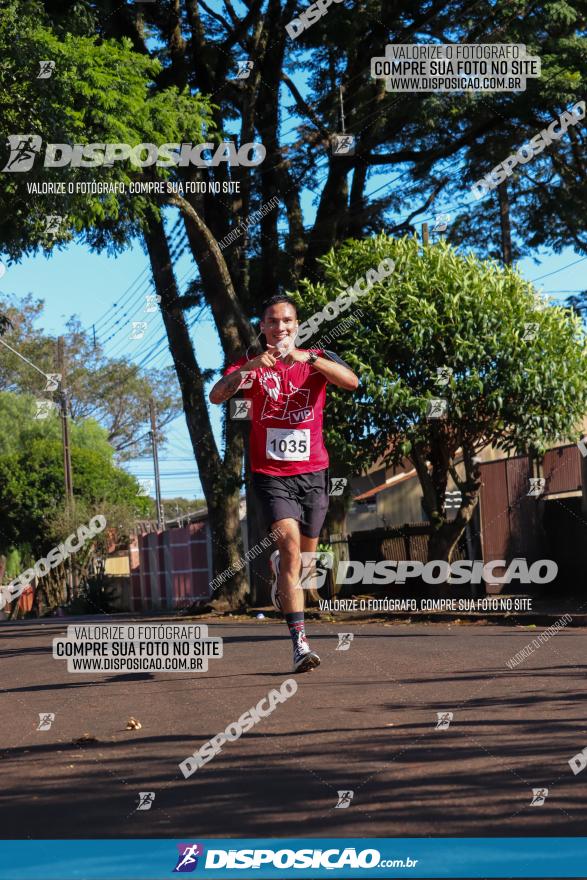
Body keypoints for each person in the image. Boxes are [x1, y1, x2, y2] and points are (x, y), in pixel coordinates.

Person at [209, 294, 359, 672]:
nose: (281, 328)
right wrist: (251, 368)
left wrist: (310, 359)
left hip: (314, 474)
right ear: (263, 328)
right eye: (273, 322)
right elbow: (216, 395)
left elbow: (353, 383)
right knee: (292, 551)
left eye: (287, 321)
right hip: (271, 476)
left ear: (297, 325)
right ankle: (300, 645)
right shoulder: (250, 365)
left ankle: (284, 573)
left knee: (304, 561)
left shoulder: (316, 358)